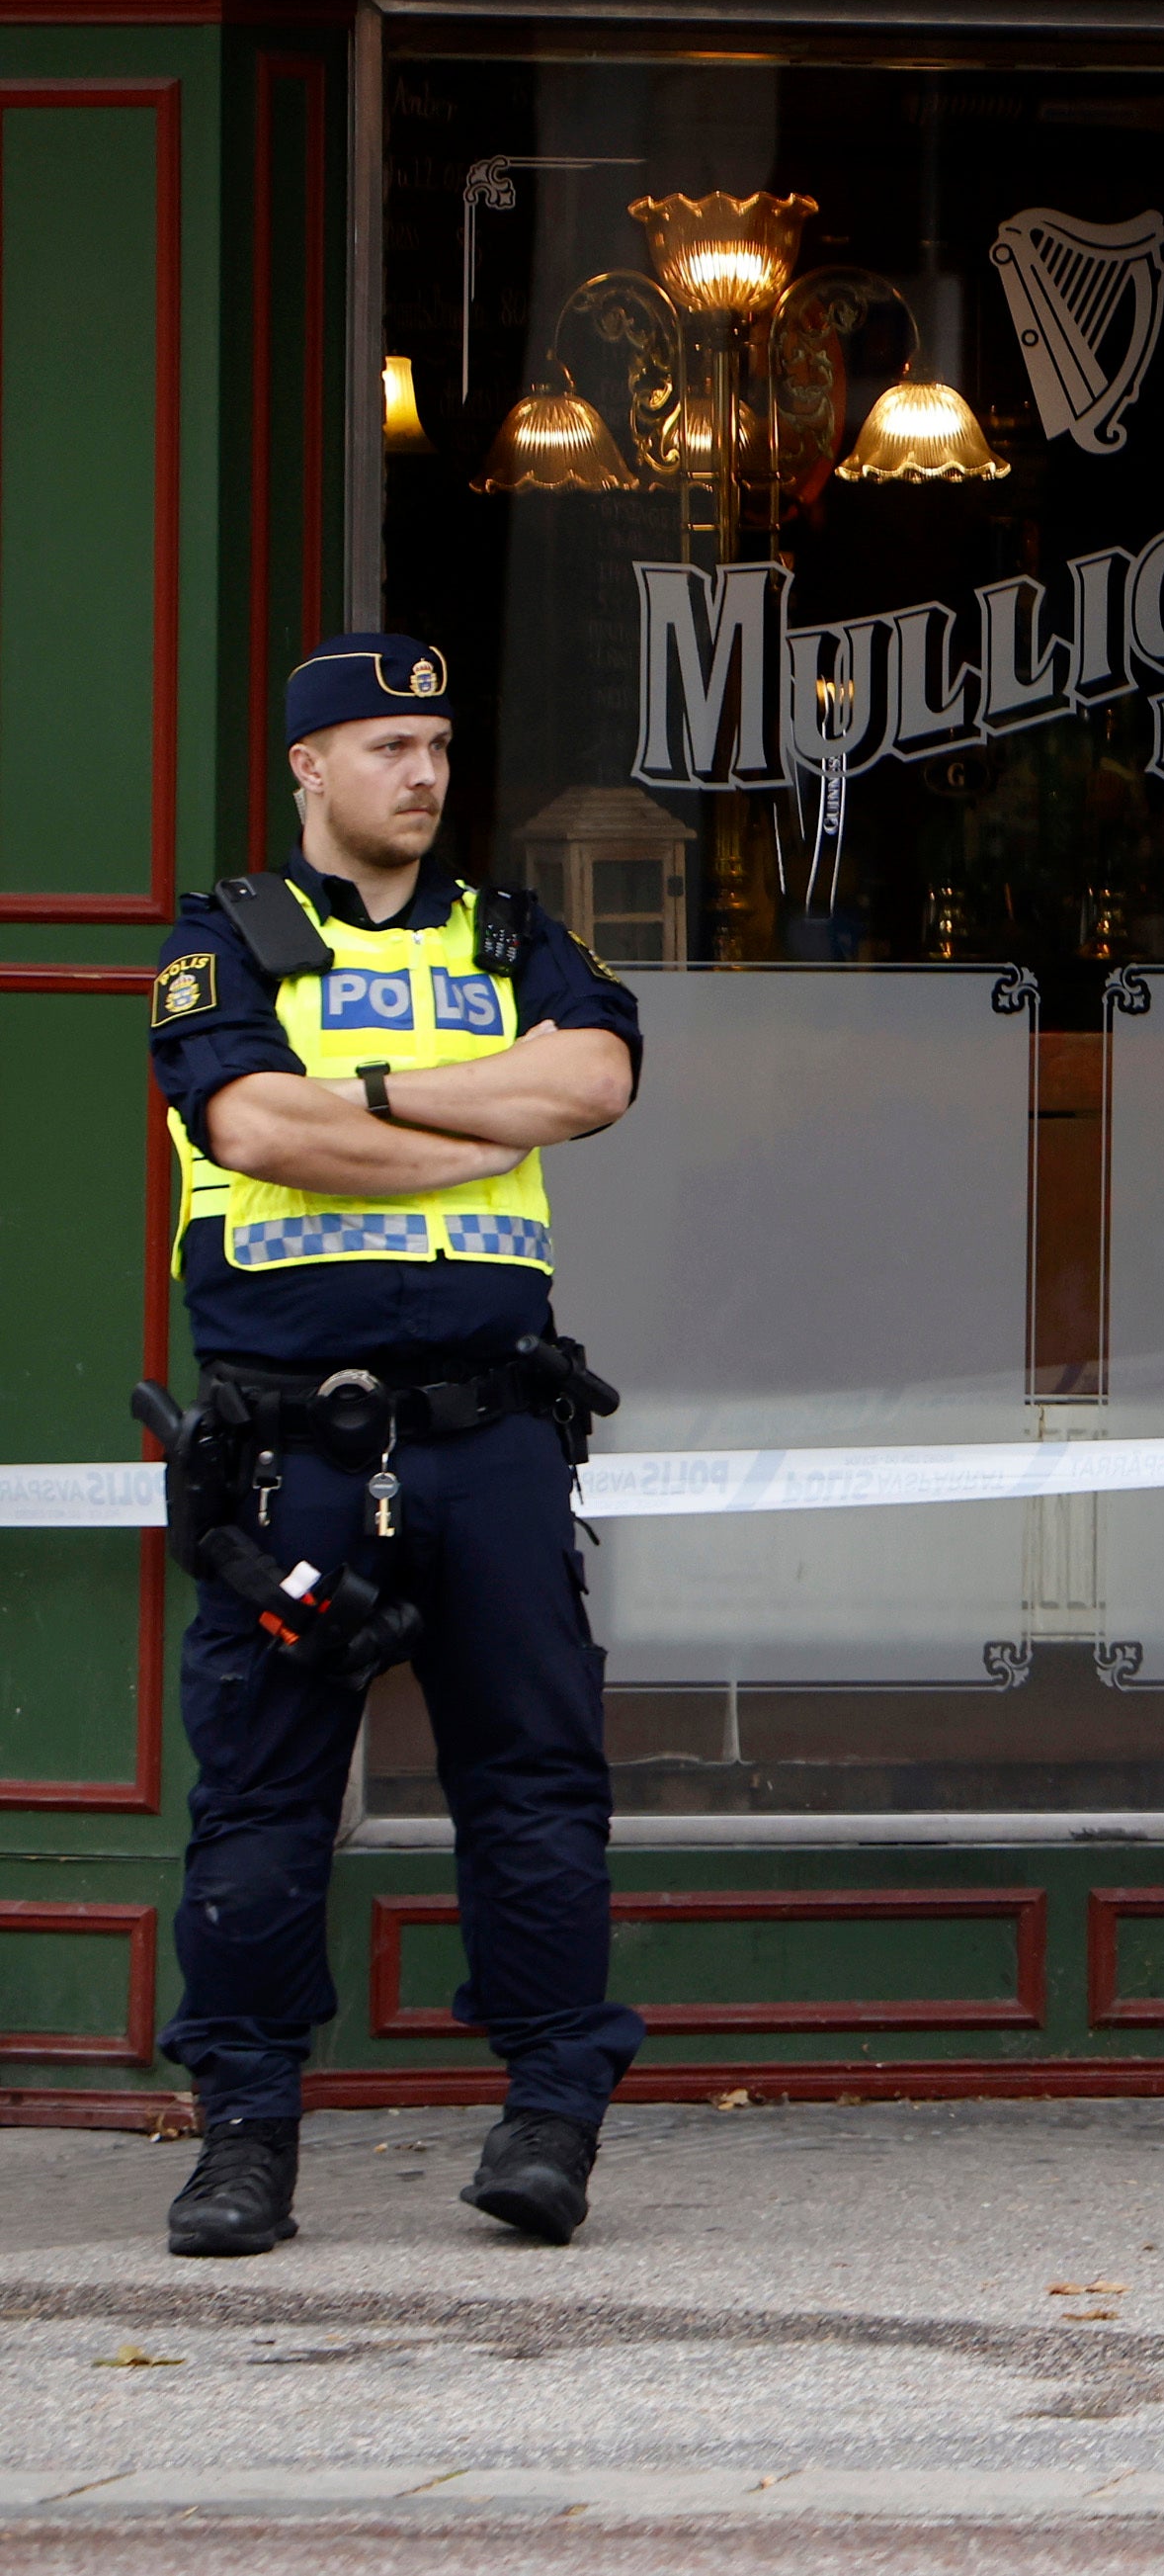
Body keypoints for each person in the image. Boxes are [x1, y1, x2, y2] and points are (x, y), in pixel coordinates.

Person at [139, 638, 647, 2257]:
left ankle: (552, 2115)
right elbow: (256, 1127)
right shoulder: (223, 939)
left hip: (493, 1436)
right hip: (294, 1450)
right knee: (265, 1802)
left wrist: (365, 1100)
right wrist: (462, 1111)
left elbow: (596, 1076)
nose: (421, 772)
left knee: (538, 1786)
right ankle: (243, 2136)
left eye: (433, 741)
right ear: (307, 765)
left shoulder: (514, 930)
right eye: (383, 744)